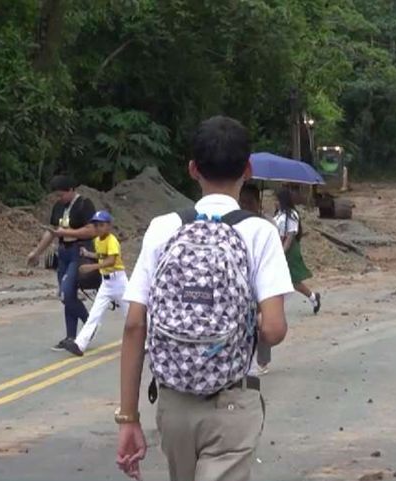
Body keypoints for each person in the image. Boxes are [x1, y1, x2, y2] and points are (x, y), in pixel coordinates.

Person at [116, 116, 294, 481]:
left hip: (174, 402)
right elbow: (274, 329)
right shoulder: (260, 232)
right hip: (232, 401)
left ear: (193, 169)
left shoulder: (163, 228)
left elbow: (135, 325)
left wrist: (128, 417)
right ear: (248, 169)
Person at [26, 175, 96, 350]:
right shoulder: (58, 207)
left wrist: (67, 232)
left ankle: (89, 325)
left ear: (71, 190)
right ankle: (70, 337)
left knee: (66, 292)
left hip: (78, 252)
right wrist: (36, 253)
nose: (59, 199)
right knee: (67, 297)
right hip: (63, 253)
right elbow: (51, 232)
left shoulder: (84, 204)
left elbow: (91, 230)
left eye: (61, 195)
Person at [60, 211, 128, 357]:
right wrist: (88, 254)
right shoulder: (97, 241)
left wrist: (91, 267)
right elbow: (101, 256)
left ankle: (149, 341)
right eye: (96, 225)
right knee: (94, 315)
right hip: (106, 283)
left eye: (102, 225)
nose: (98, 228)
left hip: (119, 282)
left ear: (109, 226)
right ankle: (80, 344)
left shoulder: (112, 240)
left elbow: (111, 261)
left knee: (129, 314)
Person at [239, 184, 272, 376]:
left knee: (263, 320)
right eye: (242, 202)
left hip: (261, 280)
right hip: (242, 280)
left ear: (257, 203)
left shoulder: (267, 226)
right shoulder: (234, 223)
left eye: (250, 202)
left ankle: (262, 360)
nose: (246, 206)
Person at [275, 188, 322, 314]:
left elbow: (290, 236)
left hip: (288, 249)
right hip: (279, 245)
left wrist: (282, 251)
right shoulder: (279, 214)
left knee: (293, 279)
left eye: (277, 200)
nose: (275, 202)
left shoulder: (291, 215)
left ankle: (313, 298)